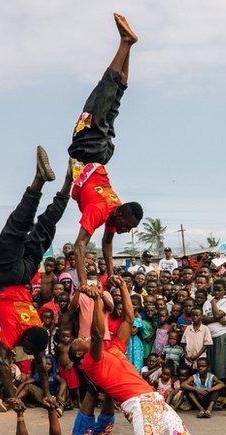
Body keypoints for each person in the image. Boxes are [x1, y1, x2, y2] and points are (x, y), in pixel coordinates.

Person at [69, 278, 201, 435]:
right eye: (78, 341)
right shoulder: (90, 362)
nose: (80, 338)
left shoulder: (111, 349)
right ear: (79, 354)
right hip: (139, 405)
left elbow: (129, 318)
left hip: (154, 399)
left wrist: (122, 286)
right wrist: (94, 303)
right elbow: (94, 333)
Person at [0, 145, 72, 401]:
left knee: (46, 225)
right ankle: (38, 179)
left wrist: (47, 394)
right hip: (6, 275)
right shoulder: (18, 334)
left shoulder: (38, 327)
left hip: (26, 273)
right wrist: (13, 396)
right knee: (17, 226)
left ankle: (68, 181)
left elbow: (39, 359)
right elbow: (4, 362)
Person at [70, 14, 144, 289]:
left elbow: (107, 244)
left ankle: (128, 45)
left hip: (100, 154)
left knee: (114, 100)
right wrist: (84, 283)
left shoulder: (113, 213)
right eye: (128, 227)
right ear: (122, 215)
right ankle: (126, 43)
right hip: (89, 149)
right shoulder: (102, 211)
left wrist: (111, 274)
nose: (125, 231)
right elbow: (80, 246)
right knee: (104, 92)